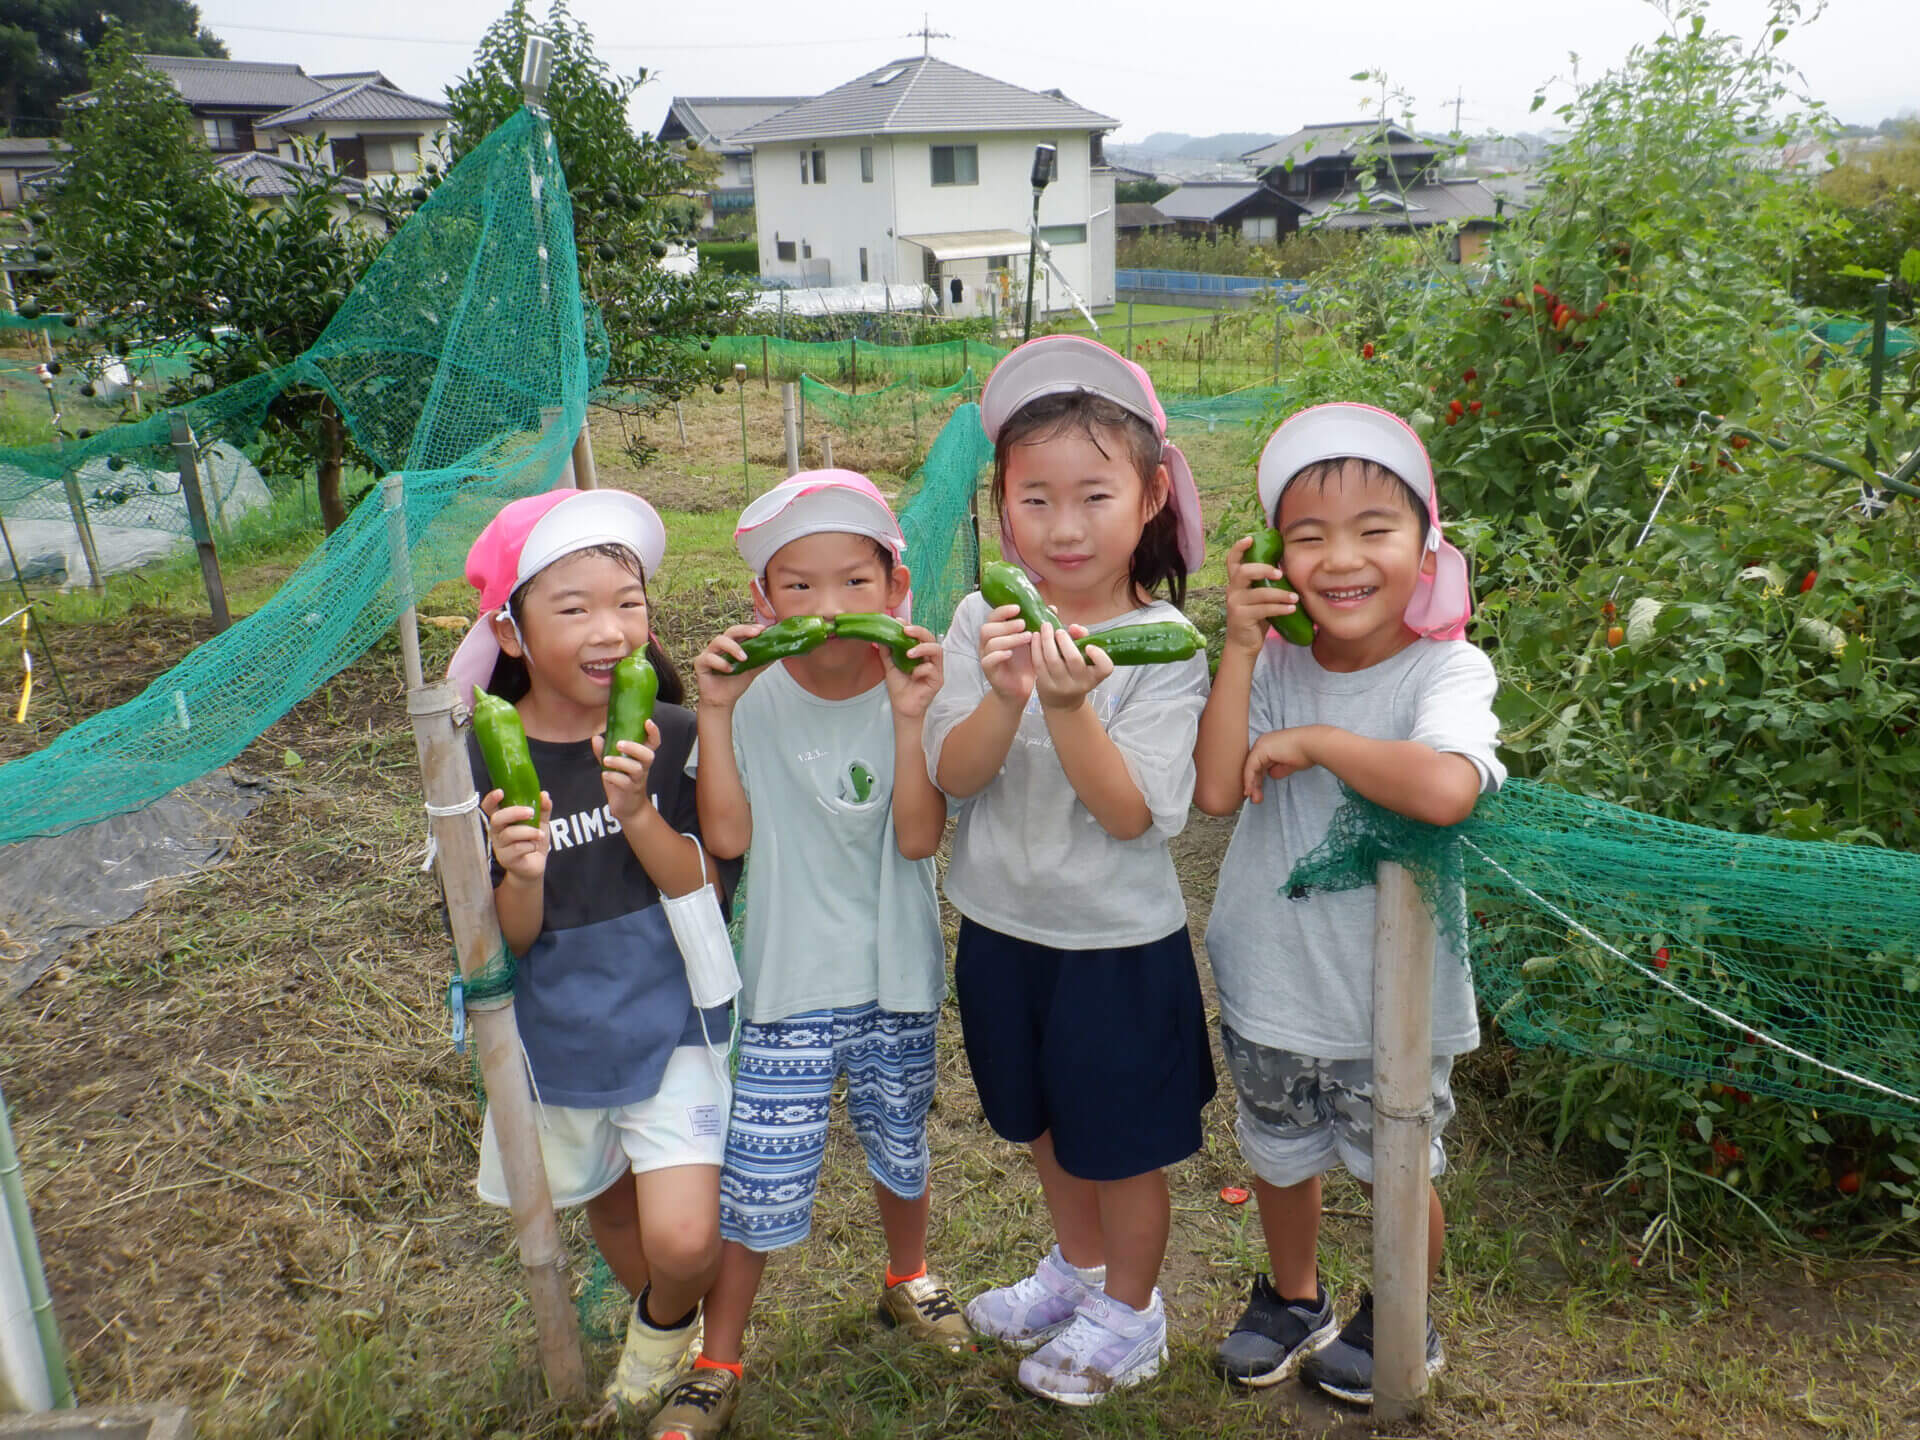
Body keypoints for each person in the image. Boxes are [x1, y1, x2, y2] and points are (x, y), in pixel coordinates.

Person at [922, 336, 1215, 1405]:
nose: (1063, 527)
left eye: (1094, 495)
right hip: (1002, 928)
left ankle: (1133, 1313)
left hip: (1115, 946)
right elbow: (953, 775)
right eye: (1033, 499)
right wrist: (1002, 692)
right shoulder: (978, 621)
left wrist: (1067, 704)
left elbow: (1136, 812)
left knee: (1121, 1144)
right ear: (1002, 512)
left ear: (1149, 499)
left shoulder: (1164, 645)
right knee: (1044, 1120)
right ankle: (1078, 1272)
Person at [1193, 402, 1504, 1405]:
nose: (1342, 558)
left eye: (1376, 530)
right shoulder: (1274, 667)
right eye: (1310, 535)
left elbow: (1446, 787)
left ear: (1425, 553)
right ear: (1280, 556)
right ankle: (1293, 1299)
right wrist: (1239, 649)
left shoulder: (1446, 669)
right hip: (1270, 976)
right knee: (1279, 1150)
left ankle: (1397, 1313)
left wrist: (1319, 743)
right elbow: (1210, 789)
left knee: (1397, 1162)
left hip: (1394, 1005)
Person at [646, 472, 961, 1440]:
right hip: (783, 986)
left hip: (894, 974)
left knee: (899, 1145)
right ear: (763, 601)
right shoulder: (753, 701)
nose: (828, 610)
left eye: (854, 583)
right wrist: (721, 714)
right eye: (799, 587)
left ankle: (908, 1276)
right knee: (761, 1178)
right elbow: (727, 839)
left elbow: (918, 838)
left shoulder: (919, 693)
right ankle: (718, 1357)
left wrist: (911, 722)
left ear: (895, 591)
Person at [447, 488, 735, 1422]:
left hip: (669, 1014)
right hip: (558, 1030)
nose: (612, 631)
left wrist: (640, 812)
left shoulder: (674, 736)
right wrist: (520, 875)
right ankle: (671, 1338)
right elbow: (500, 941)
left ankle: (658, 1332)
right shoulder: (480, 760)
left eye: (629, 602)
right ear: (514, 633)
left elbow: (706, 888)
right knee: (611, 1204)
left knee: (686, 1239)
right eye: (574, 608)